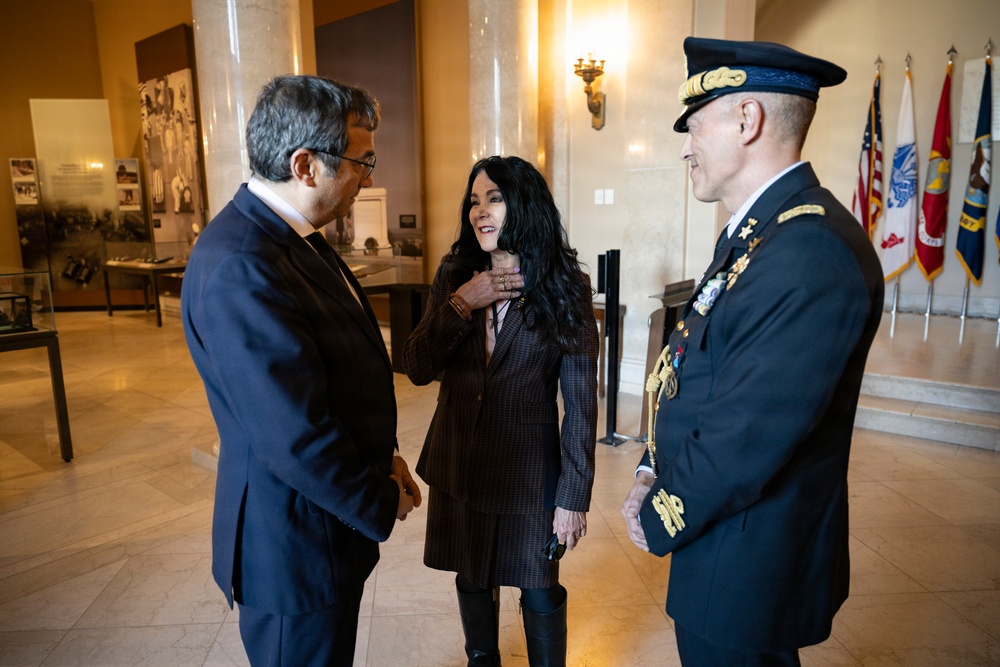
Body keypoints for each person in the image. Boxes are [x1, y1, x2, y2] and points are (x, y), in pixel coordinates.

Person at [621, 37, 884, 665]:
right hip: (723, 541)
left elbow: (747, 433)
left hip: (750, 557)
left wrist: (661, 514)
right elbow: (691, 370)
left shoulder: (807, 250)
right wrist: (650, 469)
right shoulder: (763, 232)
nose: (686, 144)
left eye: (695, 124)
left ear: (747, 119)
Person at [182, 75, 421, 666]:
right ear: (306, 165)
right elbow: (294, 435)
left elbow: (343, 370)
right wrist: (378, 497)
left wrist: (385, 456)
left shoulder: (292, 237)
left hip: (323, 527)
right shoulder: (242, 262)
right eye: (361, 161)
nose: (368, 177)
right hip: (292, 547)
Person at [402, 155, 598, 666]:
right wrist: (464, 301)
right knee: (471, 575)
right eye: (473, 201)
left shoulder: (566, 286)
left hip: (527, 472)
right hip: (458, 460)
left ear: (524, 205)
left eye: (494, 198)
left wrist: (572, 497)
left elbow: (580, 403)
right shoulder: (455, 275)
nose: (479, 211)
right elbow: (417, 366)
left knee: (538, 586)